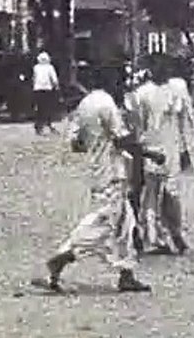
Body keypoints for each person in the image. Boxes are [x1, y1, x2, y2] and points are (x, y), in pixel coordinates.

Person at [43, 81, 158, 293]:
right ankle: (64, 255)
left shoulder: (83, 107)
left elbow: (76, 144)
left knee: (125, 223)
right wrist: (150, 154)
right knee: (104, 223)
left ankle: (126, 274)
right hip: (111, 172)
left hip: (98, 169)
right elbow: (122, 139)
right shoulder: (105, 103)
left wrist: (97, 138)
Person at [129, 57, 189, 255]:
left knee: (169, 194)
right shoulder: (143, 94)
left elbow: (181, 123)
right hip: (154, 148)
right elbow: (139, 125)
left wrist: (184, 148)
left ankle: (172, 233)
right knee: (152, 196)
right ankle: (155, 238)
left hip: (169, 147)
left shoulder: (174, 91)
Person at [32, 51, 60, 135]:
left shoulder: (36, 67)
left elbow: (34, 78)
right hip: (47, 89)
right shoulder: (50, 67)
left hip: (37, 89)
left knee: (40, 108)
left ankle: (38, 126)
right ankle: (49, 124)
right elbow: (54, 79)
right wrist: (57, 87)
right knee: (48, 108)